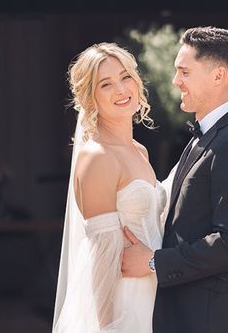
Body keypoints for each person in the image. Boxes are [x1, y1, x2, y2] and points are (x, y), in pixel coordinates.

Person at [121, 26, 228, 333]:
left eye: (184, 72)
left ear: (219, 76)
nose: (176, 82)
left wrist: (154, 263)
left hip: (215, 321)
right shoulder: (204, 137)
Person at [52, 42, 166, 332]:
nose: (120, 89)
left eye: (125, 76)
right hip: (123, 303)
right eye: (106, 84)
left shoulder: (139, 151)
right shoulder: (97, 157)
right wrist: (106, 327)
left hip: (155, 295)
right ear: (90, 98)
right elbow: (101, 255)